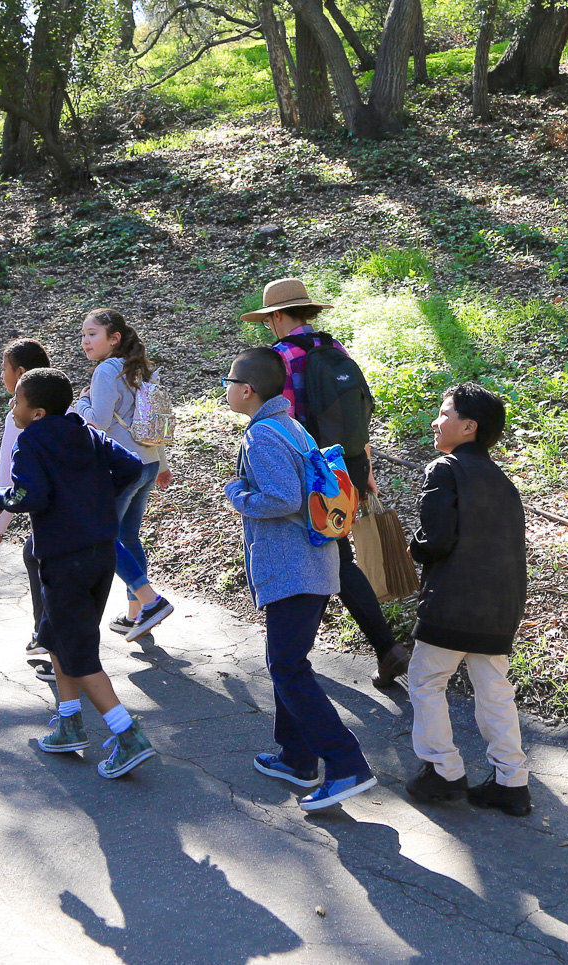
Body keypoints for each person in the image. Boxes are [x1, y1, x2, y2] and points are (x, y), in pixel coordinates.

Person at [0, 368, 158, 778]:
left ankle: (127, 734)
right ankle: (69, 723)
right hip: (100, 555)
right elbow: (131, 467)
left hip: (64, 559)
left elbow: (29, 494)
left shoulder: (31, 441)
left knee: (78, 652)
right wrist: (91, 499)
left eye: (18, 400)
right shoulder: (87, 432)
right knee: (58, 636)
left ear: (38, 412)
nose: (13, 405)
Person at [225, 347, 378, 812]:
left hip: (294, 569)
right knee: (284, 661)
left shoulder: (263, 437)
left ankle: (346, 762)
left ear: (246, 390)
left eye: (229, 382)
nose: (227, 390)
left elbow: (282, 497)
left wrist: (238, 494)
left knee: (288, 667)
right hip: (313, 563)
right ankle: (296, 757)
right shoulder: (290, 426)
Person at [244, 278, 408, 687]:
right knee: (330, 550)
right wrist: (363, 466)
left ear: (278, 316)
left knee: (329, 555)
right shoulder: (335, 348)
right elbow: (359, 411)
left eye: (270, 319)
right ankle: (308, 654)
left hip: (307, 471)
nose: (270, 327)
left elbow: (281, 420)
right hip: (345, 465)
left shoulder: (278, 358)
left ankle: (311, 656)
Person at [401, 384, 533, 818]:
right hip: (502, 603)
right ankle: (512, 782)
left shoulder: (445, 468)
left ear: (469, 426)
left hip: (454, 600)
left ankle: (443, 769)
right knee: (495, 690)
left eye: (444, 413)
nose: (436, 422)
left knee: (425, 680)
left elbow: (437, 539)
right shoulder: (503, 481)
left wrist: (414, 550)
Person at [73, 309, 176, 642]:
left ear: (113, 338)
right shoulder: (136, 368)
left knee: (104, 536)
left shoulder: (106, 371)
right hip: (145, 464)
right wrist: (160, 464)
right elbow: (149, 419)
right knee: (128, 537)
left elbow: (98, 422)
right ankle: (137, 614)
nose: (85, 341)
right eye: (84, 335)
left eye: (92, 334)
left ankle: (151, 601)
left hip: (121, 468)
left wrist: (80, 403)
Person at [0, 339, 54, 681]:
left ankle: (48, 644)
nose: (1, 375)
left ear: (21, 374)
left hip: (53, 519)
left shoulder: (19, 419)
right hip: (83, 515)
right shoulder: (66, 411)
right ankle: (46, 638)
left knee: (40, 558)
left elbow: (10, 476)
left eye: (4, 369)